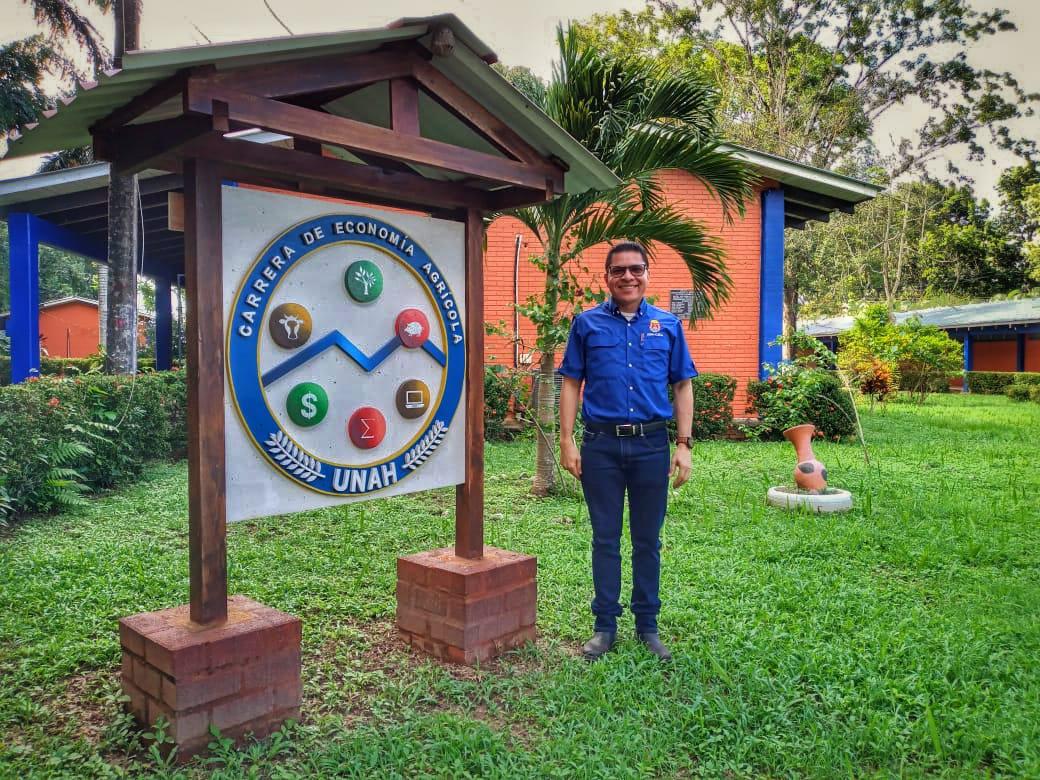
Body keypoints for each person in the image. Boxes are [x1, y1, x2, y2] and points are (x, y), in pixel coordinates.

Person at [558, 242, 695, 662]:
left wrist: (684, 444)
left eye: (636, 269)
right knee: (604, 538)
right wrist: (566, 439)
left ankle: (648, 625)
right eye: (619, 271)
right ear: (607, 278)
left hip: (652, 445)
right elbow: (570, 382)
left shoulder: (668, 325)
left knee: (647, 540)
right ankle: (605, 626)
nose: (628, 277)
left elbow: (683, 384)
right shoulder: (586, 324)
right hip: (601, 446)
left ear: (647, 274)